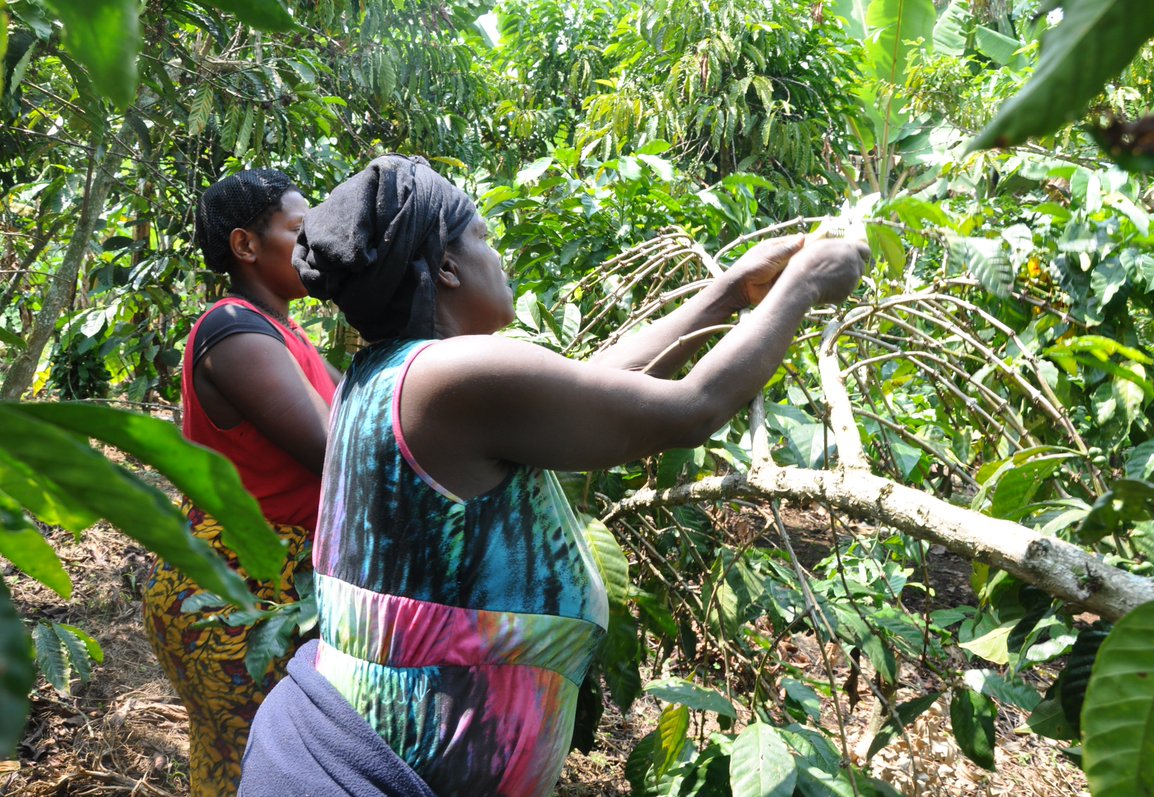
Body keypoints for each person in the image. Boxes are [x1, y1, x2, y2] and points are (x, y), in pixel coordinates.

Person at [239, 155, 867, 797]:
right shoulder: (446, 379)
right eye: (482, 236)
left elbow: (596, 384)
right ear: (447, 267)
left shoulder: (393, 375)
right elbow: (690, 409)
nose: (498, 254)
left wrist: (732, 291)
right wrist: (805, 286)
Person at [142, 169, 341, 797]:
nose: (315, 243)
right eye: (298, 228)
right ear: (246, 246)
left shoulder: (287, 333)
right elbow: (340, 451)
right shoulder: (231, 327)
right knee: (256, 768)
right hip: (238, 594)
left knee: (257, 766)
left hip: (278, 586)